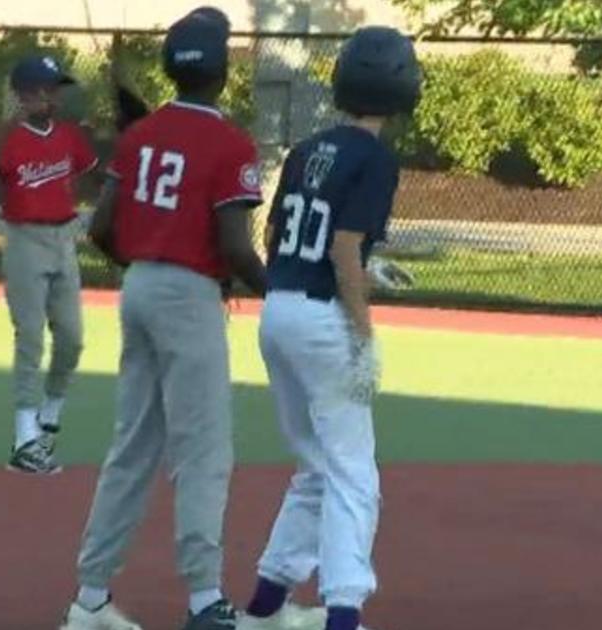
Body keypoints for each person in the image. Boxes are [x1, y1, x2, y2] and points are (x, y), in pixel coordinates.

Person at [59, 8, 267, 630]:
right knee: (204, 450)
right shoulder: (231, 143)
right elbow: (234, 246)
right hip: (189, 295)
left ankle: (90, 596)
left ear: (170, 70)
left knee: (133, 444)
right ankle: (205, 599)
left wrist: (147, 260)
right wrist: (278, 292)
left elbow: (99, 229)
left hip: (140, 287)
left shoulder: (140, 135)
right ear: (223, 73)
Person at [237, 26, 421, 630]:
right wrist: (363, 338)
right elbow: (344, 247)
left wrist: (370, 265)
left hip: (280, 308)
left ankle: (266, 603)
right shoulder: (376, 158)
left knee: (316, 466)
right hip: (322, 320)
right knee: (353, 474)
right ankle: (344, 612)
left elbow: (277, 238)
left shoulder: (304, 148)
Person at [0, 55, 97, 475]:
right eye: (46, 89)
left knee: (73, 338)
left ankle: (50, 412)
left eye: (56, 89)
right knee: (30, 336)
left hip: (63, 239)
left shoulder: (69, 135)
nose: (54, 97)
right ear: (25, 95)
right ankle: (25, 437)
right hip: (25, 239)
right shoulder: (9, 136)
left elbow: (88, 173)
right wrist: (7, 126)